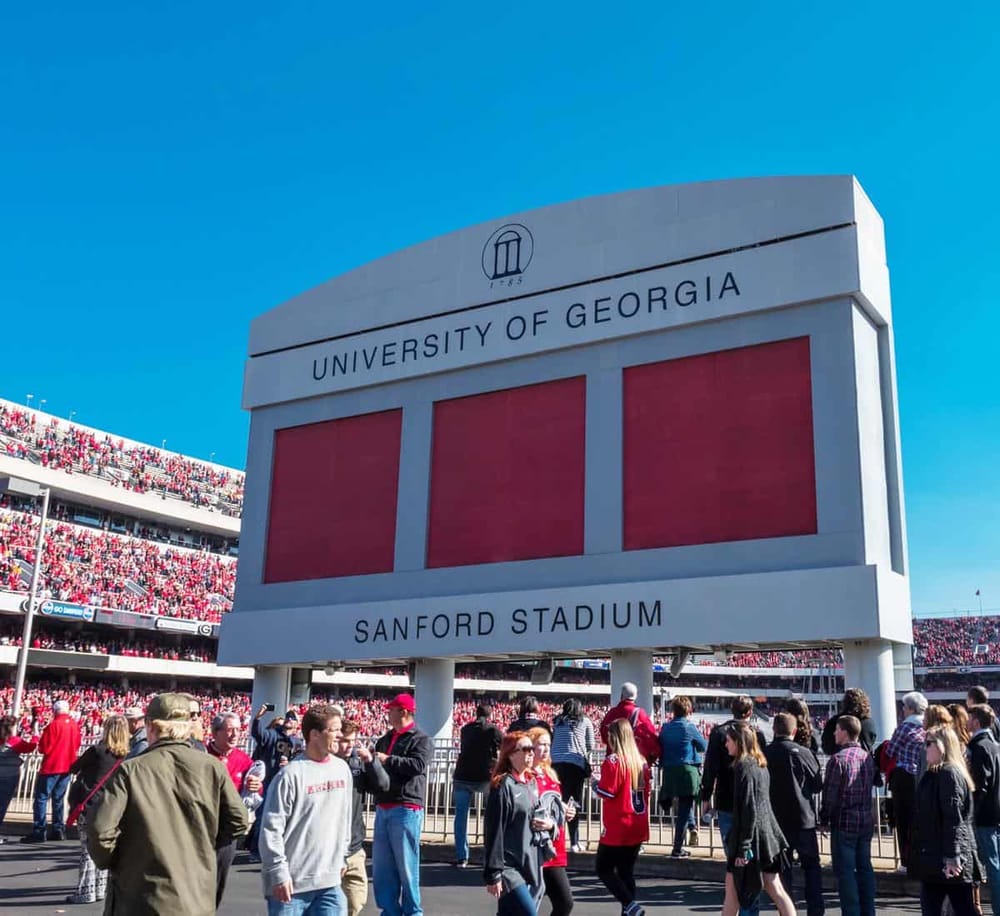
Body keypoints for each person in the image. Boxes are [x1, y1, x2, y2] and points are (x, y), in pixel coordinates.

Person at [87, 692, 248, 914]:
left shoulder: (132, 770)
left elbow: (100, 831)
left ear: (151, 727)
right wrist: (203, 847)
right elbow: (239, 821)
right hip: (196, 895)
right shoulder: (212, 767)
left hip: (142, 896)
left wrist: (121, 862)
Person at [259, 704, 354, 915]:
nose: (340, 736)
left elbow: (344, 818)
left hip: (329, 883)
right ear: (314, 735)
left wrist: (342, 857)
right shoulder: (290, 775)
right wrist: (278, 872)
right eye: (334, 730)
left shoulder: (342, 769)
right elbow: (271, 830)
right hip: (292, 885)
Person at [703, 694, 769, 916]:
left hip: (726, 802)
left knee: (734, 865)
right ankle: (748, 909)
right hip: (751, 805)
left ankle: (740, 908)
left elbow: (710, 767)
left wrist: (705, 797)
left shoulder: (719, 733)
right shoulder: (756, 734)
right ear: (750, 713)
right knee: (747, 864)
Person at [721, 721, 795, 916]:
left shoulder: (743, 767)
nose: (726, 744)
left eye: (728, 740)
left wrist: (742, 848)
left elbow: (747, 808)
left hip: (750, 839)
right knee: (775, 887)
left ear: (738, 741)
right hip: (767, 836)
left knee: (732, 891)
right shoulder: (760, 764)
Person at [372, 693, 433, 916]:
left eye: (391, 710)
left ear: (403, 712)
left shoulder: (421, 739)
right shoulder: (385, 739)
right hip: (385, 805)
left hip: (406, 806)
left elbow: (417, 765)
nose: (388, 713)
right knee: (383, 868)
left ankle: (412, 911)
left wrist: (387, 760)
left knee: (407, 866)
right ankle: (390, 910)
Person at [911, 726, 982, 916]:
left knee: (958, 906)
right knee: (954, 906)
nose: (924, 748)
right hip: (938, 855)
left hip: (946, 858)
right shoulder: (938, 773)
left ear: (942, 746)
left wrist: (952, 856)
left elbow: (953, 818)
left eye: (928, 744)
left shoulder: (948, 774)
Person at [764, 712, 824, 916]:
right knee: (812, 867)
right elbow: (817, 785)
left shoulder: (765, 753)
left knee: (783, 871)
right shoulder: (804, 752)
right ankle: (816, 909)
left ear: (774, 729)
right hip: (803, 817)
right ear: (795, 730)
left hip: (777, 820)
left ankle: (787, 910)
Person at [66, 715, 129, 905]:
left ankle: (86, 890)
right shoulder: (127, 755)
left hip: (90, 804)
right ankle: (100, 888)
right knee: (103, 848)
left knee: (87, 849)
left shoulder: (96, 751)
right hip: (112, 807)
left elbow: (74, 768)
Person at [820, 715, 876, 916]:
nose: (834, 733)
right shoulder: (867, 757)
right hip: (865, 818)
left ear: (844, 731)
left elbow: (830, 794)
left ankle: (852, 912)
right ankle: (868, 911)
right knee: (865, 869)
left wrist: (824, 818)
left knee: (845, 873)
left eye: (837, 729)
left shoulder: (838, 760)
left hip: (844, 821)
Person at [594, 718, 650, 916]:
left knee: (603, 868)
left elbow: (607, 792)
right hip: (638, 821)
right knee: (626, 871)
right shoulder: (641, 761)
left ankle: (630, 905)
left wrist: (595, 783)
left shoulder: (615, 761)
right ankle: (628, 911)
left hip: (619, 823)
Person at [208, 711, 264, 908]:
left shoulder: (243, 759)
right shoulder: (202, 755)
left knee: (219, 878)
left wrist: (257, 785)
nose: (234, 735)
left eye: (237, 731)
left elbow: (255, 786)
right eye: (229, 730)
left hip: (227, 830)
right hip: (203, 827)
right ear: (215, 732)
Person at [336, 718, 390, 916]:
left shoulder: (357, 763)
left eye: (352, 740)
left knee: (356, 901)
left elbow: (383, 786)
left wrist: (371, 762)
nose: (349, 745)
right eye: (344, 740)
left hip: (354, 846)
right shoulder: (324, 762)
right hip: (328, 849)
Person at [483, 732, 540, 916]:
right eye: (526, 749)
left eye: (532, 748)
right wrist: (494, 873)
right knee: (529, 912)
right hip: (508, 866)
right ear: (511, 754)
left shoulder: (531, 783)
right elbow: (493, 830)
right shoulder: (503, 785)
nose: (532, 753)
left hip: (526, 862)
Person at [22, 698, 81, 843]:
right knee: (58, 799)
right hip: (68, 766)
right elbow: (77, 744)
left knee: (41, 798)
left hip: (51, 766)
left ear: (55, 711)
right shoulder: (74, 726)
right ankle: (58, 829)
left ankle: (39, 830)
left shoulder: (53, 726)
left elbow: (43, 748)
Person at [528, 726, 574, 916]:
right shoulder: (527, 775)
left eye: (548, 744)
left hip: (555, 845)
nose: (546, 749)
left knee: (564, 903)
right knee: (529, 903)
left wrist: (565, 810)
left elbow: (553, 801)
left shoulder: (550, 774)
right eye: (541, 744)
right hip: (536, 848)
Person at [658, 695, 707, 858]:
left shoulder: (665, 728)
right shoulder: (689, 727)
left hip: (669, 772)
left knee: (682, 806)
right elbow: (703, 746)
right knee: (685, 808)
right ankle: (677, 847)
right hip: (687, 771)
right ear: (689, 710)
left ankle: (692, 827)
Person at [453, 704, 503, 867]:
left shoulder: (465, 729)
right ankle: (489, 853)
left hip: (463, 774)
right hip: (484, 775)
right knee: (490, 815)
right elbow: (504, 746)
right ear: (490, 715)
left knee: (461, 817)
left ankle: (462, 856)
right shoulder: (493, 730)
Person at [886, 691, 929, 871]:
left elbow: (890, 752)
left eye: (904, 707)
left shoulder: (905, 727)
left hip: (904, 777)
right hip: (922, 777)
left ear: (910, 708)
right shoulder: (927, 726)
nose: (902, 710)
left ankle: (906, 861)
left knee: (903, 821)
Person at [967, 704, 1000, 913]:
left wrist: (971, 813)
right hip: (995, 811)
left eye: (970, 718)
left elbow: (980, 785)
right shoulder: (995, 745)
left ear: (976, 722)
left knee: (992, 866)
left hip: (984, 815)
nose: (967, 722)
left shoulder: (979, 747)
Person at [551, 698, 594, 854]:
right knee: (573, 803)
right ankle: (575, 842)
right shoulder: (585, 722)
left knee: (557, 802)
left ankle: (555, 839)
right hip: (575, 764)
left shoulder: (557, 722)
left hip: (555, 765)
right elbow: (591, 745)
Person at [600, 682, 660, 764]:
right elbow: (651, 737)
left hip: (614, 762)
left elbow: (604, 736)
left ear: (621, 695)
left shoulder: (612, 713)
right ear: (635, 697)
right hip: (634, 763)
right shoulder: (640, 714)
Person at [0, 715, 35, 839]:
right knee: (2, 805)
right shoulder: (15, 741)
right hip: (9, 776)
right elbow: (31, 747)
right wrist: (35, 736)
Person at [820, 688, 878, 756]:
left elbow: (826, 746)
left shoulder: (835, 721)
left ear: (845, 703)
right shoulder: (869, 723)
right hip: (865, 760)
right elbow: (871, 740)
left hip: (840, 757)